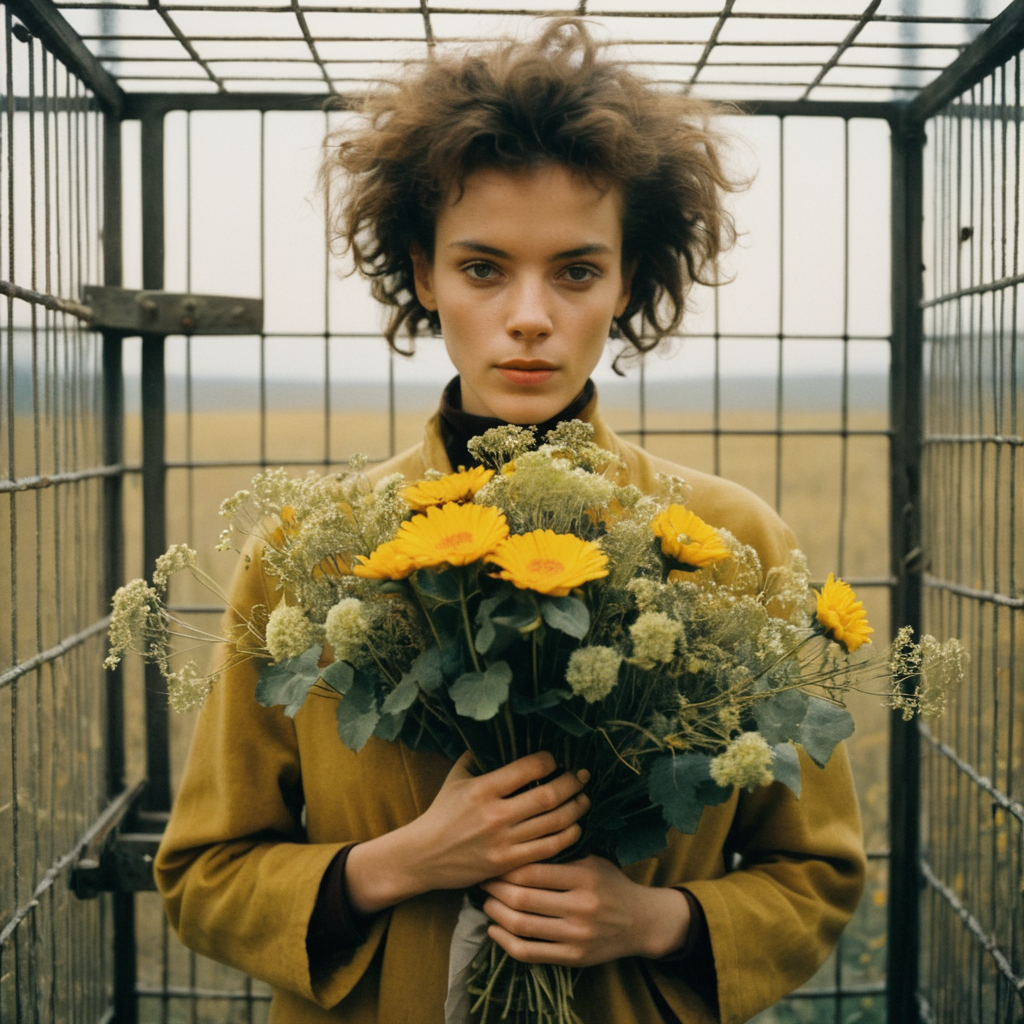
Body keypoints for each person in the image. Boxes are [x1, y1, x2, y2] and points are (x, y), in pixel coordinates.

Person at [155, 19, 866, 1024]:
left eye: (575, 271)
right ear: (424, 271)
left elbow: (817, 876)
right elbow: (201, 876)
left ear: (627, 282)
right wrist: (398, 863)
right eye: (483, 268)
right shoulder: (309, 553)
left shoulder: (731, 541)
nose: (528, 315)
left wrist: (651, 920)